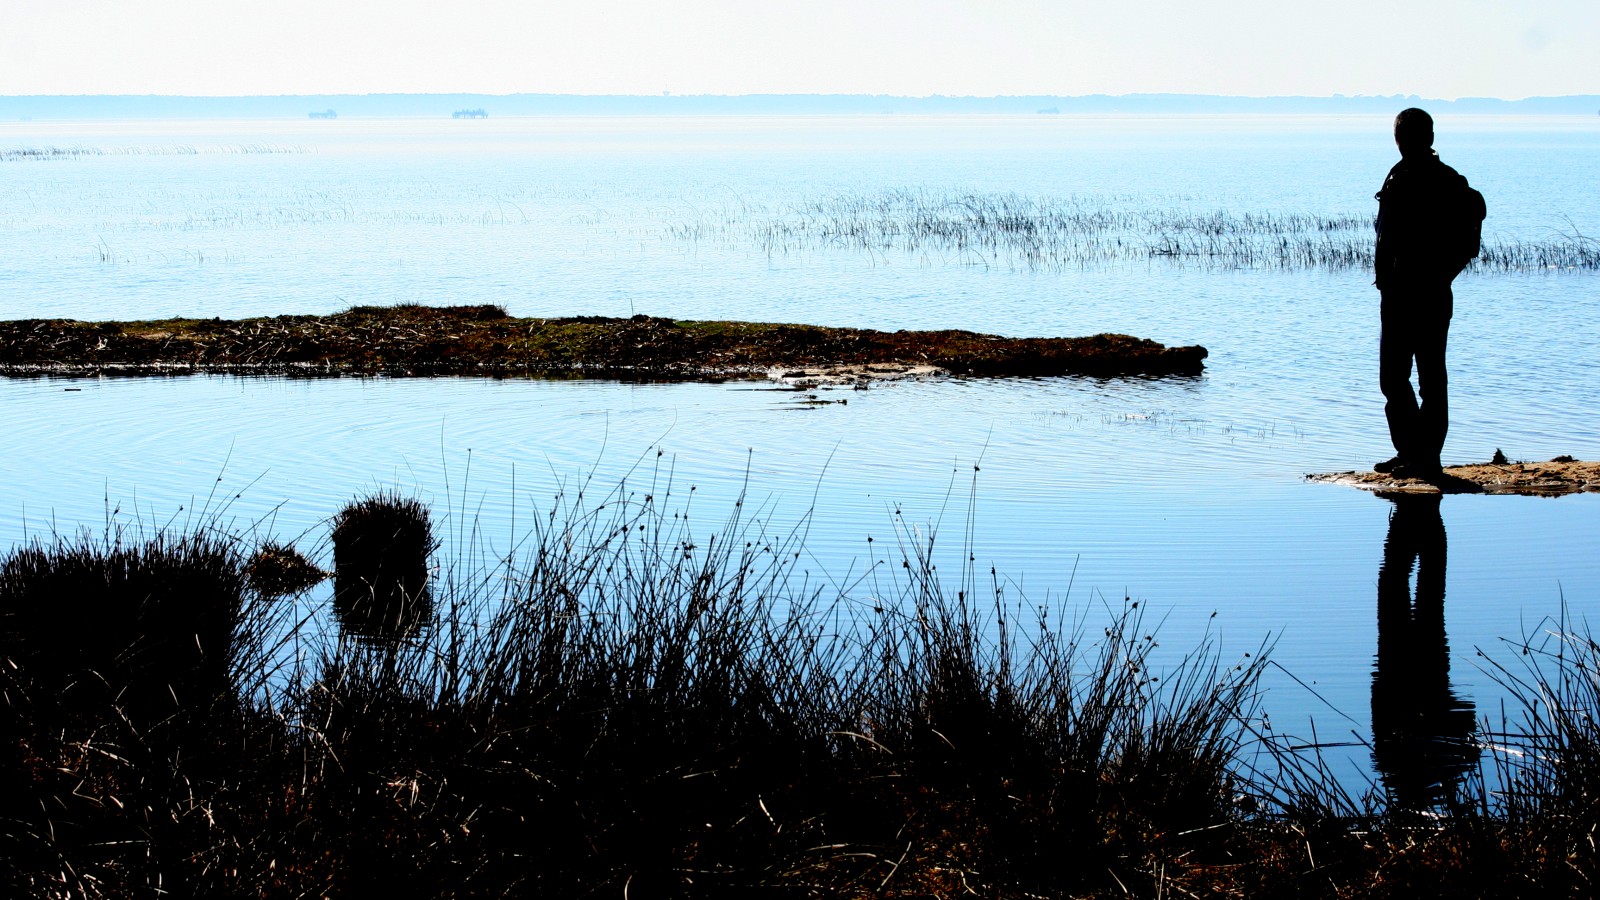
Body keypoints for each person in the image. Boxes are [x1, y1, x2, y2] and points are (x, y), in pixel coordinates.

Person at [1372, 108, 1477, 478]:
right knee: (1397, 377)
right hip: (1402, 294)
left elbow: (1471, 224)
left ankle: (1424, 457)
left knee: (1426, 378)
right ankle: (1412, 452)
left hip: (1422, 293)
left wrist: (1442, 274)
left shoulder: (1441, 179)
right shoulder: (1405, 175)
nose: (1403, 142)